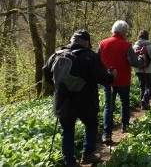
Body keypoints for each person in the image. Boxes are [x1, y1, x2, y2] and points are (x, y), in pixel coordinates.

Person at [43, 30, 115, 166]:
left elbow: (47, 74)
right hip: (85, 100)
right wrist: (112, 76)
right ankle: (87, 155)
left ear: (72, 40)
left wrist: (60, 87)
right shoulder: (90, 56)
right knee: (91, 125)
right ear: (87, 42)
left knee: (67, 131)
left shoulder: (56, 55)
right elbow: (104, 79)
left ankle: (69, 161)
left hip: (63, 100)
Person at [98, 20, 138, 143]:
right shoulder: (126, 45)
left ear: (113, 30)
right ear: (124, 32)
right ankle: (124, 126)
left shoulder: (102, 43)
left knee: (108, 106)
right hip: (123, 79)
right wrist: (141, 61)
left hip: (107, 79)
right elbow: (134, 62)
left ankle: (106, 134)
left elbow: (96, 60)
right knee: (124, 102)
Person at [133, 30, 151, 110]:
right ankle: (145, 99)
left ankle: (143, 104)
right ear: (147, 36)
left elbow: (132, 59)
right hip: (150, 70)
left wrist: (135, 69)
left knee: (142, 86)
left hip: (138, 70)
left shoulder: (134, 46)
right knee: (150, 87)